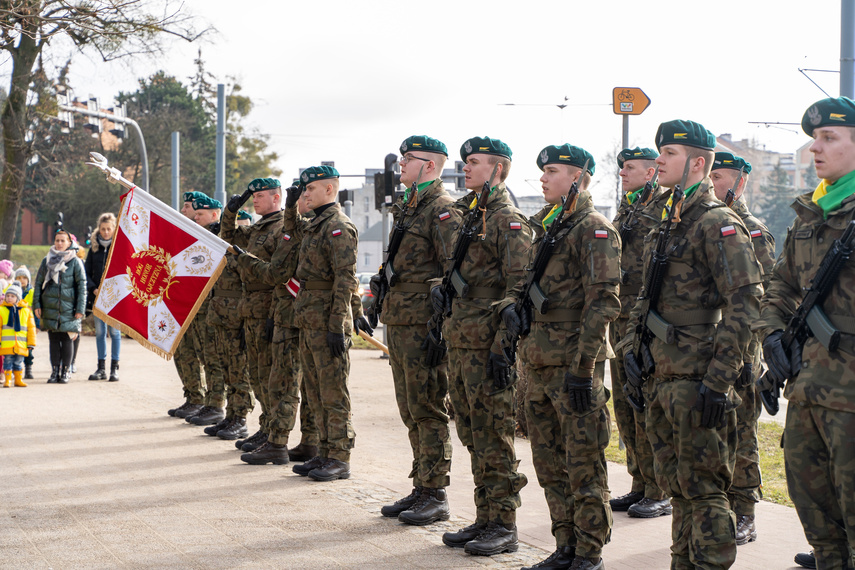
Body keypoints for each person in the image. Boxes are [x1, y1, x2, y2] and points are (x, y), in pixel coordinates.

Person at [622, 119, 763, 569]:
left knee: (704, 489)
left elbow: (744, 302)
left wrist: (720, 381)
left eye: (671, 153)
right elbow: (646, 295)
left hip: (698, 376)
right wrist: (631, 350)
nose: (659, 160)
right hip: (662, 373)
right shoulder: (668, 218)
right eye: (660, 151)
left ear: (698, 163)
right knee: (678, 487)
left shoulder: (717, 221)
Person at [499, 144, 620, 570]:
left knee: (583, 463)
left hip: (572, 365)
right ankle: (564, 543)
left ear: (577, 177)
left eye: (552, 171)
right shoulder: (548, 227)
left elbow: (603, 302)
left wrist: (583, 369)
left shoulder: (593, 228)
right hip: (538, 361)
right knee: (549, 464)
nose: (543, 179)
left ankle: (589, 551)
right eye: (543, 172)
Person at [755, 96, 855, 569]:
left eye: (829, 138)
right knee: (815, 511)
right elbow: (779, 286)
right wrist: (773, 336)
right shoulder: (809, 217)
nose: (815, 147)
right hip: (809, 389)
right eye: (814, 138)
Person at [433, 137, 529, 557]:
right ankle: (485, 515)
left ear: (498, 169)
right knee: (472, 433)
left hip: (487, 345)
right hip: (461, 341)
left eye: (473, 163)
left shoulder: (508, 221)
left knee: (495, 435)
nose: (465, 168)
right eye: (465, 162)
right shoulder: (471, 217)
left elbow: (518, 289)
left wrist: (502, 350)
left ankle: (504, 523)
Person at [368, 136, 455, 525]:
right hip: (400, 321)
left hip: (423, 323)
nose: (400, 164)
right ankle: (421, 485)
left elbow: (452, 272)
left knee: (428, 408)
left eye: (409, 159)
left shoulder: (442, 209)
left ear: (431, 166)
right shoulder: (410, 207)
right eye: (401, 158)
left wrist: (439, 329)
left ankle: (435, 493)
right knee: (410, 409)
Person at [709, 152, 775, 546]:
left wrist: (754, 355)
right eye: (711, 176)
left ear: (740, 182)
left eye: (721, 177)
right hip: (710, 347)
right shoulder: (706, 225)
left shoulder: (750, 231)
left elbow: (764, 299)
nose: (714, 184)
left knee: (743, 434)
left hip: (742, 351)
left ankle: (745, 512)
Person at [608, 147, 673, 520]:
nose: (622, 173)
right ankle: (639, 482)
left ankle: (658, 489)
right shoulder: (628, 207)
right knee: (626, 405)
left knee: (646, 405)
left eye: (629, 168)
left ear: (651, 172)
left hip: (645, 322)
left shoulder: (663, 208)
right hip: (622, 319)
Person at [291, 165, 366, 482]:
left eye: (310, 189)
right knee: (315, 390)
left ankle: (339, 456)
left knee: (334, 393)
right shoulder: (315, 225)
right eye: (304, 190)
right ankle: (323, 451)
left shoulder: (338, 227)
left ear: (329, 190)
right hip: (310, 319)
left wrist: (338, 325)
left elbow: (344, 280)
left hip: (327, 322)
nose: (305, 194)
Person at [234, 182, 315, 465]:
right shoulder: (289, 228)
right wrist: (232, 208)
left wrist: (244, 261)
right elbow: (230, 235)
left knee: (286, 383)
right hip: (274, 312)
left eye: (307, 193)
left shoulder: (294, 228)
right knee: (265, 378)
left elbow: (278, 274)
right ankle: (277, 434)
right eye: (301, 195)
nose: (304, 199)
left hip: (290, 314)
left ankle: (282, 440)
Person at [222, 179, 285, 452]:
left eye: (260, 195)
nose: (255, 200)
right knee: (258, 376)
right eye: (253, 196)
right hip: (251, 308)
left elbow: (277, 274)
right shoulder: (257, 228)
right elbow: (227, 240)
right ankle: (266, 427)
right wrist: (230, 212)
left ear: (276, 198)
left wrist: (274, 313)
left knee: (272, 377)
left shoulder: (282, 228)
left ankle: (274, 434)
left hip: (269, 307)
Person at [203, 206, 254, 443]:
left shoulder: (245, 253)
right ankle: (230, 414)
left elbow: (249, 287)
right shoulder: (221, 251)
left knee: (239, 371)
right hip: (219, 316)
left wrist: (246, 320)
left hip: (237, 318)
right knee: (226, 369)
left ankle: (240, 419)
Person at [185, 194, 227, 427]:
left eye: (199, 214)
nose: (195, 217)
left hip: (216, 308)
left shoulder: (220, 236)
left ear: (214, 214)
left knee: (214, 359)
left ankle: (217, 405)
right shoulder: (201, 236)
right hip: (204, 308)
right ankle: (210, 403)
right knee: (207, 357)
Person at [168, 190, 208, 418]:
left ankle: (205, 400)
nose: (183, 211)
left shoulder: (207, 238)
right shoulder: (182, 235)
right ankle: (192, 396)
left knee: (202, 355)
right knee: (183, 353)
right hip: (181, 305)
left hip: (201, 309)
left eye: (186, 207)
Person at [33, 226, 87, 384]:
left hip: (69, 308)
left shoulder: (75, 261)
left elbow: (82, 286)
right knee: (54, 339)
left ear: (69, 242)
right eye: (57, 240)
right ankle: (55, 370)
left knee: (67, 338)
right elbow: (38, 284)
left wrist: (80, 309)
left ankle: (66, 371)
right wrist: (37, 304)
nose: (59, 243)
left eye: (63, 240)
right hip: (50, 306)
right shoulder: (47, 259)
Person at [85, 213, 122, 382]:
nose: (106, 232)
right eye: (103, 229)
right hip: (98, 297)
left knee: (115, 333)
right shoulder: (93, 249)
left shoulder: (120, 247)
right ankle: (101, 368)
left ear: (114, 229)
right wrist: (93, 289)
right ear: (98, 229)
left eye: (109, 229)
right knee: (100, 333)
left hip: (115, 298)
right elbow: (86, 273)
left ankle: (115, 368)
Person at [1, 283, 36, 388]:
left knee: (18, 362)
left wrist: (31, 343)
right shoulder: (1, 310)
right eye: (8, 296)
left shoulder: (26, 311)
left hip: (21, 343)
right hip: (7, 343)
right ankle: (8, 380)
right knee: (7, 361)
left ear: (18, 298)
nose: (9, 298)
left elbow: (31, 329)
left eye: (12, 296)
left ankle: (18, 380)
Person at [14, 267, 36, 379]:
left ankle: (28, 368)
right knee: (15, 348)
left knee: (29, 348)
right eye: (19, 278)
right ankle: (16, 369)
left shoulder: (31, 292)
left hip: (27, 324)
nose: (21, 280)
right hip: (15, 325)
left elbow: (36, 308)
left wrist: (36, 324)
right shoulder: (12, 291)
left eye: (24, 278)